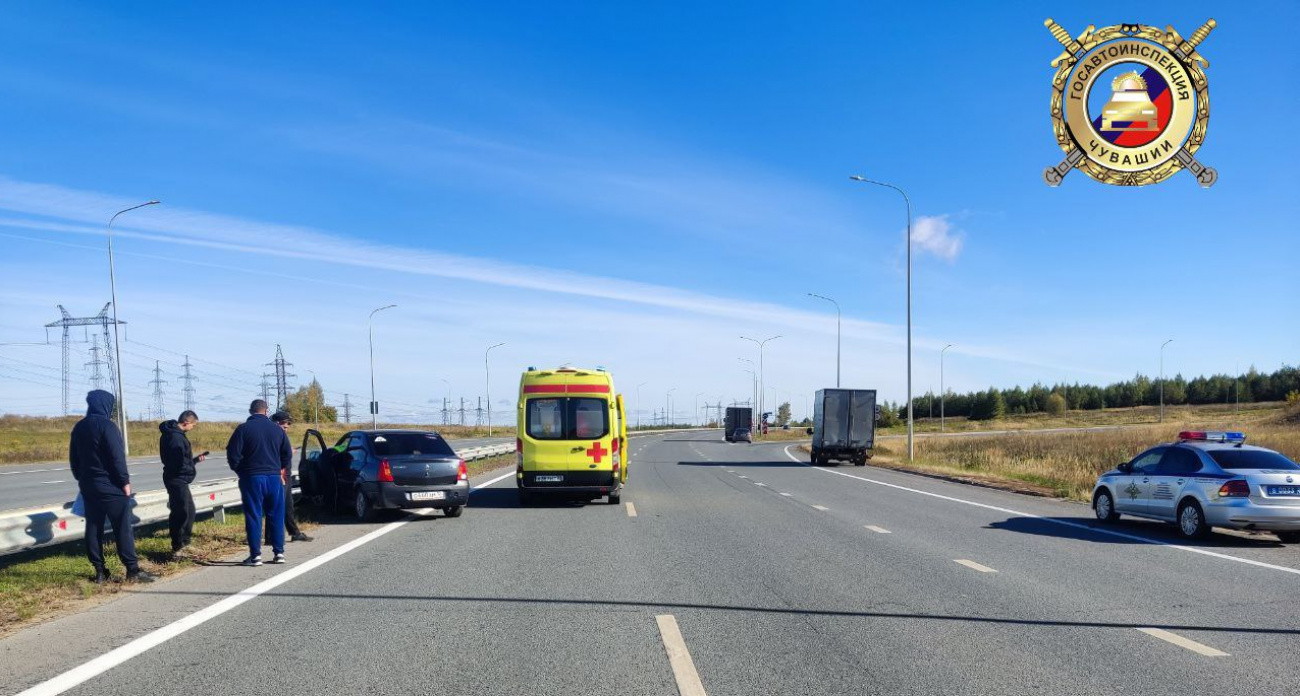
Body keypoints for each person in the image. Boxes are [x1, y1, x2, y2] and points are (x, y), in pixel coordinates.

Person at [69, 390, 157, 583]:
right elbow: (117, 458)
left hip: (89, 487)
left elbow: (74, 460)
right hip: (111, 487)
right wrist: (125, 482)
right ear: (106, 405)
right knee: (122, 528)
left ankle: (100, 572)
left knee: (93, 528)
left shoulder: (79, 427)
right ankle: (132, 570)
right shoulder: (108, 426)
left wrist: (83, 479)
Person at [226, 399, 292, 566]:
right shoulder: (277, 430)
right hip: (273, 477)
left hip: (252, 478)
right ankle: (279, 553)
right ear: (266, 411)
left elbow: (233, 455)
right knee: (276, 514)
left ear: (250, 411)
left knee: (254, 515)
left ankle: (255, 556)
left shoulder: (243, 429)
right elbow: (287, 454)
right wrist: (279, 467)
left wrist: (241, 471)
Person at [159, 410, 206, 557]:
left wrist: (195, 461)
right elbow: (177, 462)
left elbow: (182, 461)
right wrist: (187, 469)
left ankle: (184, 542)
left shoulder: (174, 435)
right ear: (186, 422)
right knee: (182, 512)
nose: (193, 427)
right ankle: (178, 546)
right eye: (193, 425)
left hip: (178, 478)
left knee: (188, 511)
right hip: (176, 478)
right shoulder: (175, 438)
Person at [268, 411, 312, 543]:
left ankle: (292, 532)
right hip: (279, 474)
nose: (286, 429)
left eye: (287, 426)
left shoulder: (277, 435)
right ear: (277, 423)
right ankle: (274, 536)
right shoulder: (274, 436)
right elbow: (275, 455)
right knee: (279, 505)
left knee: (285, 505)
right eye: (285, 426)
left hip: (283, 474)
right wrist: (289, 452)